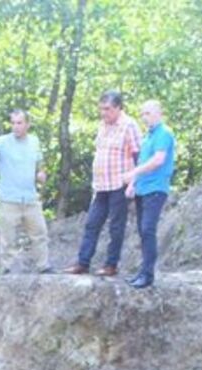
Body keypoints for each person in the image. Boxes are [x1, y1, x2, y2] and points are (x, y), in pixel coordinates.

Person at [63, 91, 141, 277]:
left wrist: (135, 182)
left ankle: (111, 265)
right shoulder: (102, 125)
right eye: (101, 109)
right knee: (92, 224)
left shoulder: (129, 126)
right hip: (101, 186)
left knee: (116, 226)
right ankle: (83, 263)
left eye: (107, 109)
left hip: (119, 184)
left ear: (118, 108)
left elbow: (139, 156)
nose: (103, 113)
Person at [0, 110, 53, 274]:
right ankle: (8, 268)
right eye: (13, 123)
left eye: (19, 123)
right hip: (8, 199)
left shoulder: (34, 141)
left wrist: (41, 174)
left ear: (27, 124)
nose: (15, 126)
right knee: (8, 237)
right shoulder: (4, 141)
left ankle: (43, 266)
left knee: (39, 233)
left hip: (30, 198)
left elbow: (39, 164)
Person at [123, 100, 176, 289]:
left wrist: (133, 174)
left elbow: (158, 161)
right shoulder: (147, 138)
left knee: (147, 229)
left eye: (148, 113)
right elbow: (142, 162)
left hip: (156, 188)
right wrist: (133, 183)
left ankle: (148, 275)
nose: (145, 117)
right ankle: (142, 272)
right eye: (143, 114)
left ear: (159, 113)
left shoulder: (164, 133)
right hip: (142, 189)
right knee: (143, 232)